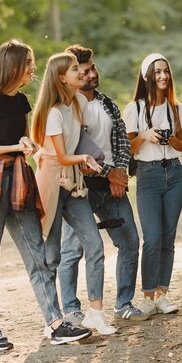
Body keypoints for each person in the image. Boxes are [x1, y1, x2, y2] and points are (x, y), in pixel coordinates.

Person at [0, 40, 91, 351]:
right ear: (13, 66)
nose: (33, 68)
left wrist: (25, 142)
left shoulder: (21, 101)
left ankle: (56, 323)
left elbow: (18, 136)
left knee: (38, 257)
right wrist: (13, 147)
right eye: (29, 63)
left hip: (20, 180)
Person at [60, 44, 148, 322]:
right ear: (71, 74)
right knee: (73, 250)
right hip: (80, 188)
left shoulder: (107, 102)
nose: (90, 74)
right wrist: (108, 173)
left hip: (114, 186)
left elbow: (122, 139)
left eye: (92, 68)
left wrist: (119, 172)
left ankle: (123, 303)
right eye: (83, 71)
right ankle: (72, 310)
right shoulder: (67, 107)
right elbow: (75, 150)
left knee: (130, 242)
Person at [31, 51, 117, 335]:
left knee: (95, 246)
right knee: (52, 254)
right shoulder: (54, 113)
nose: (81, 72)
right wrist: (83, 159)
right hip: (53, 184)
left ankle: (95, 314)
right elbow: (61, 156)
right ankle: (52, 320)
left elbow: (84, 138)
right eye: (74, 69)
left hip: (75, 185)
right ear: (61, 77)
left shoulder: (78, 102)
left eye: (81, 67)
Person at [123, 53, 182, 316]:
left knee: (168, 238)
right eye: (157, 72)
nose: (163, 76)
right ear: (147, 76)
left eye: (166, 71)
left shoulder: (176, 108)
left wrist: (170, 139)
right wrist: (144, 135)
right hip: (148, 176)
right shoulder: (134, 109)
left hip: (174, 174)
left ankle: (162, 294)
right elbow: (127, 149)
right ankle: (148, 295)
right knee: (152, 238)